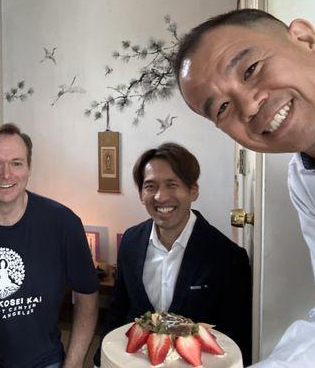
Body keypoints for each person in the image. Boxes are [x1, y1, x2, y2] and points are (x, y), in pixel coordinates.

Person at [174, 8, 315, 366]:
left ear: (307, 40)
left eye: (251, 69)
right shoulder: (306, 180)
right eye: (222, 108)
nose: (249, 106)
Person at [0, 123, 99, 368]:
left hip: (44, 362)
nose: (7, 175)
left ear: (28, 168)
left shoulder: (63, 224)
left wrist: (74, 363)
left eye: (17, 163)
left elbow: (87, 295)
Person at [97, 143, 251, 365]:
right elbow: (119, 307)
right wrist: (100, 359)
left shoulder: (227, 257)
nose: (160, 196)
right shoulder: (131, 241)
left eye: (172, 184)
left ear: (193, 190)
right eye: (150, 186)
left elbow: (237, 338)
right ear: (141, 194)